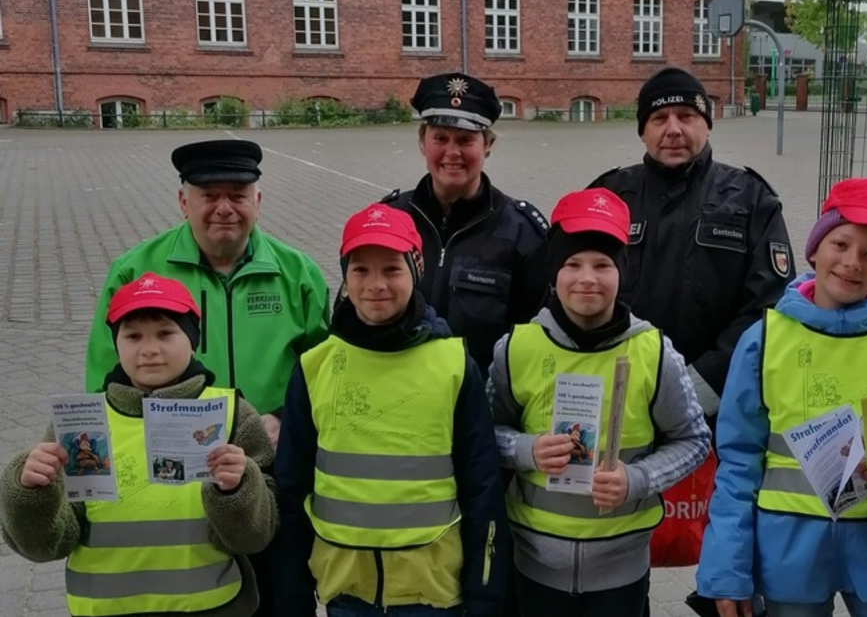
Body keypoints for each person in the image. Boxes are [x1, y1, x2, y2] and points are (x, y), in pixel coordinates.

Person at [696, 178, 867, 617]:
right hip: (787, 554)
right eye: (840, 244)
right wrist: (726, 570)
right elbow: (738, 462)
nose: (852, 263)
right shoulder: (764, 340)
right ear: (815, 249)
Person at [274, 203, 508, 617]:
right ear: (345, 276)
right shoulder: (316, 367)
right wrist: (293, 591)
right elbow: (292, 487)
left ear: (415, 271)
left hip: (434, 594)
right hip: (348, 592)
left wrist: (483, 593)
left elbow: (482, 485)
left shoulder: (453, 365)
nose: (375, 284)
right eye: (360, 270)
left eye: (392, 269)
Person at [489, 187, 711, 617]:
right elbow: (488, 435)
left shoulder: (653, 351)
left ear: (622, 273)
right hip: (535, 564)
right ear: (554, 272)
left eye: (603, 264)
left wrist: (638, 479)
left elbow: (694, 440)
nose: (587, 277)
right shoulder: (516, 347)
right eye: (572, 264)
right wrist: (527, 450)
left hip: (622, 571)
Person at [2, 272, 277, 617]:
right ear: (116, 345)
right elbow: (47, 545)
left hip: (211, 605)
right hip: (103, 608)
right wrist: (30, 492)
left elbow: (256, 536)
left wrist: (237, 489)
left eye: (166, 333)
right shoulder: (82, 421)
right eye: (132, 336)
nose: (149, 350)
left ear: (193, 340)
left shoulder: (232, 413)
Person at [589, 67, 794, 431]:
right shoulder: (607, 196)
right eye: (658, 118)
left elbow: (770, 308)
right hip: (619, 394)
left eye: (686, 116)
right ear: (642, 131)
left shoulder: (750, 198)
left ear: (707, 125)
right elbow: (571, 287)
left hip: (720, 404)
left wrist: (699, 386)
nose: (673, 130)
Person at [84, 139, 331, 440]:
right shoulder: (134, 271)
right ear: (184, 203)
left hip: (273, 446)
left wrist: (286, 418)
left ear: (258, 202)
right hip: (170, 451)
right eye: (209, 196)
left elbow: (324, 369)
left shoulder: (299, 274)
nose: (224, 209)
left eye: (238, 196)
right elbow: (104, 375)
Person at [379, 72, 549, 373]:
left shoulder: (522, 232)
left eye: (466, 139)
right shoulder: (388, 221)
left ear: (488, 145)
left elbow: (537, 339)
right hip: (399, 399)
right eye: (440, 138)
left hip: (485, 406)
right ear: (422, 142)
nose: (452, 152)